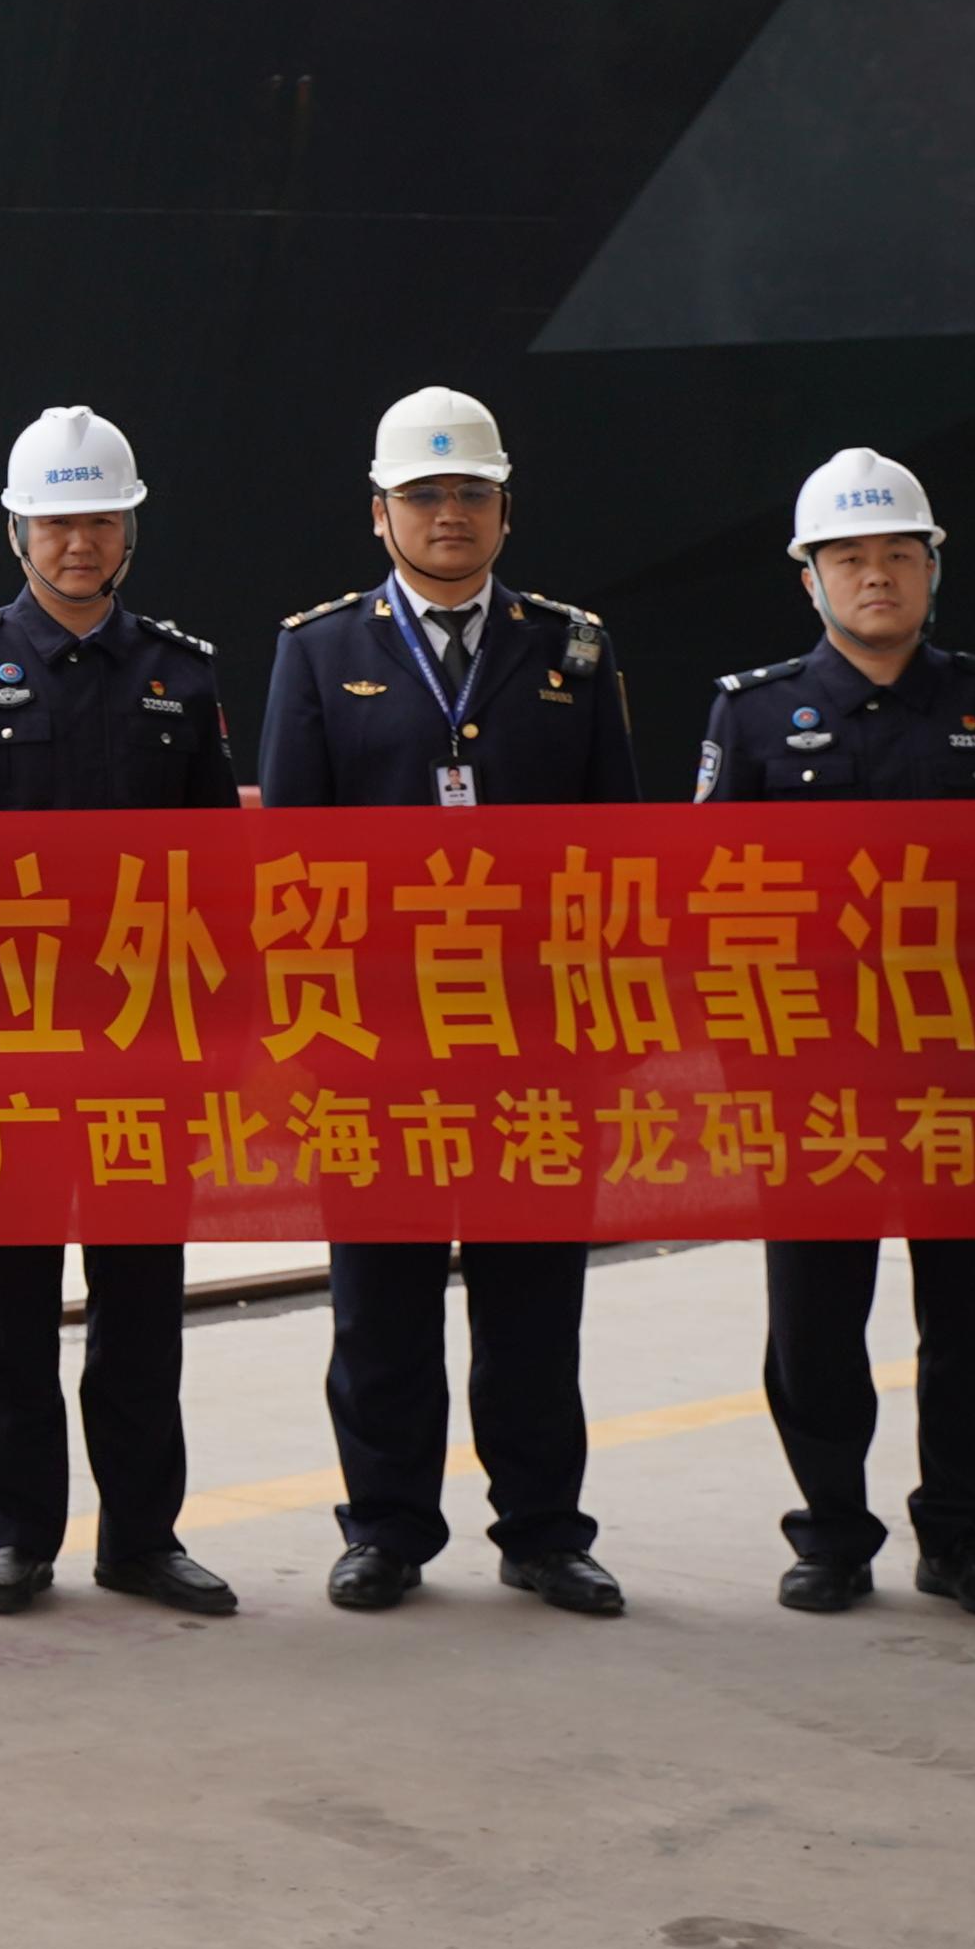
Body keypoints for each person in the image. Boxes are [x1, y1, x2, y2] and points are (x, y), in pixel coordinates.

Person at [259, 388, 641, 1622]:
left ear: (504, 510)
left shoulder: (572, 648)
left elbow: (617, 853)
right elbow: (290, 871)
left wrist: (609, 1029)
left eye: (470, 494)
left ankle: (542, 1532)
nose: (448, 516)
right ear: (379, 515)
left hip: (531, 1039)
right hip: (378, 1044)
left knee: (534, 1300)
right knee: (380, 1301)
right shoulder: (318, 651)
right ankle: (384, 1529)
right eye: (422, 496)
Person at [692, 448, 975, 1626]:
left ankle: (965, 1538)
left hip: (970, 1073)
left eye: (898, 554)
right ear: (808, 578)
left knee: (969, 1321)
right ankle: (831, 1535)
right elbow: (708, 900)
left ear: (932, 566)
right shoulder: (752, 714)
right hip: (813, 1076)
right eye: (847, 557)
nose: (875, 576)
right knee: (814, 1321)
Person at [0, 404, 238, 1622]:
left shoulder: (181, 674)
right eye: (55, 523)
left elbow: (218, 873)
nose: (78, 542)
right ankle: (15, 1536)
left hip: (144, 1041)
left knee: (142, 1299)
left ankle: (142, 1536)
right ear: (17, 532)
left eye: (99, 519)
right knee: (7, 1298)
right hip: (8, 1046)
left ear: (129, 530)